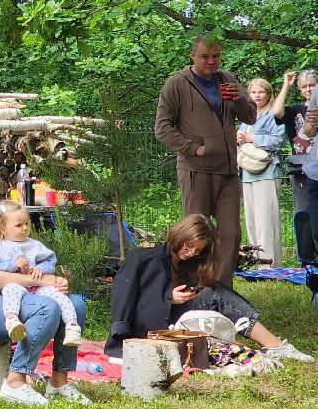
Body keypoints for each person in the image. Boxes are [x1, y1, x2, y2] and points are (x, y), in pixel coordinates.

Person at [0, 168, 90, 407]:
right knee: (46, 308)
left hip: (15, 295)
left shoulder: (5, 218)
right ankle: (16, 380)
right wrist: (39, 282)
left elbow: (34, 257)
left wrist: (53, 279)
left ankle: (59, 381)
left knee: (75, 304)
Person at [106, 214, 311, 362]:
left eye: (197, 250)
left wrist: (183, 295)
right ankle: (275, 346)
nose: (191, 253)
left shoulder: (192, 263)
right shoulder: (143, 257)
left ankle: (274, 345)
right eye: (188, 246)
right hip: (143, 329)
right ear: (178, 236)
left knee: (214, 291)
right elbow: (122, 296)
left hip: (172, 320)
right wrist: (168, 298)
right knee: (215, 295)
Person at [154, 33, 257, 286]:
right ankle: (191, 288)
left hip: (228, 172)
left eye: (216, 56)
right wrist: (192, 148)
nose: (211, 62)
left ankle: (222, 290)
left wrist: (239, 99)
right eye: (205, 56)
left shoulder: (228, 80)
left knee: (231, 234)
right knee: (195, 235)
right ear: (192, 56)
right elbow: (162, 128)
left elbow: (252, 116)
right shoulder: (176, 84)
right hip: (195, 170)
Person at [0, 202, 83, 347]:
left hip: (37, 286)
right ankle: (12, 321)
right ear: (3, 228)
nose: (25, 228)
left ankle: (72, 326)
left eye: (26, 223)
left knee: (58, 294)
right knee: (10, 289)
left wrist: (41, 269)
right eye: (19, 225)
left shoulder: (34, 245)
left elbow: (50, 260)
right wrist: (12, 265)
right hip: (18, 286)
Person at [236, 78, 287, 265]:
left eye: (261, 92)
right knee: (251, 220)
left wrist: (252, 138)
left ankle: (270, 264)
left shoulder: (275, 115)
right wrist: (240, 139)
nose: (257, 95)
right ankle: (254, 261)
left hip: (267, 171)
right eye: (254, 92)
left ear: (268, 94)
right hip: (247, 173)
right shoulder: (246, 117)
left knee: (267, 221)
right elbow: (242, 142)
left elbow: (278, 141)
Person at [271, 69, 316, 259]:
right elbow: (277, 111)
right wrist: (286, 86)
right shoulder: (296, 110)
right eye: (304, 86)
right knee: (303, 212)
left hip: (316, 165)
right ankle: (306, 256)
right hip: (300, 168)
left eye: (312, 85)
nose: (308, 89)